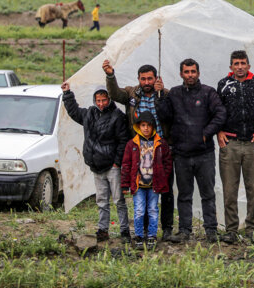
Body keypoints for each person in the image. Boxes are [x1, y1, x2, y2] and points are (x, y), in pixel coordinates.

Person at [103, 61, 175, 241]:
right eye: (143, 79)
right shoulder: (131, 93)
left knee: (165, 190)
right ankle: (143, 231)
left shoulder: (165, 93)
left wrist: (161, 95)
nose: (147, 82)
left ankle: (166, 228)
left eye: (150, 78)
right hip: (139, 149)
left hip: (160, 148)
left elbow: (171, 115)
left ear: (156, 78)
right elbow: (114, 93)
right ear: (138, 80)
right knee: (141, 189)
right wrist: (111, 75)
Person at [158, 58, 226, 243]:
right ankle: (185, 230)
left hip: (204, 153)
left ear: (198, 73)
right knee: (184, 194)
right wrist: (160, 94)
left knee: (208, 193)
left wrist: (206, 134)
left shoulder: (208, 93)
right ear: (181, 74)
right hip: (181, 154)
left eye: (193, 71)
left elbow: (220, 114)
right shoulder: (173, 93)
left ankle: (211, 230)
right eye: (186, 72)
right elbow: (164, 115)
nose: (190, 75)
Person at [61, 82, 130, 243]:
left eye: (104, 100)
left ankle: (124, 230)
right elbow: (74, 112)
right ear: (94, 100)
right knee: (101, 200)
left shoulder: (117, 116)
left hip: (112, 166)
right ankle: (103, 229)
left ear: (109, 99)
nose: (101, 103)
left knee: (119, 200)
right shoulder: (89, 114)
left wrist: (117, 163)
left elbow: (123, 141)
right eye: (98, 100)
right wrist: (67, 94)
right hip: (96, 166)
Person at [216, 50, 254, 244]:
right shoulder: (223, 84)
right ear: (231, 67)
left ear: (248, 65)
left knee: (253, 189)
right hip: (230, 144)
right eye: (236, 63)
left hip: (253, 143)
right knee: (230, 190)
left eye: (243, 63)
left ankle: (252, 228)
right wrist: (219, 131)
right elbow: (217, 110)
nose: (240, 67)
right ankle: (231, 229)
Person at [121, 111, 173, 249]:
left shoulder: (161, 144)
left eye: (149, 125)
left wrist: (163, 177)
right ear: (138, 126)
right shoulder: (132, 144)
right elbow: (126, 165)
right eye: (143, 125)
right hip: (138, 185)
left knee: (153, 210)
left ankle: (152, 236)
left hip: (153, 185)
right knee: (138, 210)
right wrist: (125, 184)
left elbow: (168, 163)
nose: (146, 128)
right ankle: (138, 235)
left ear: (153, 127)